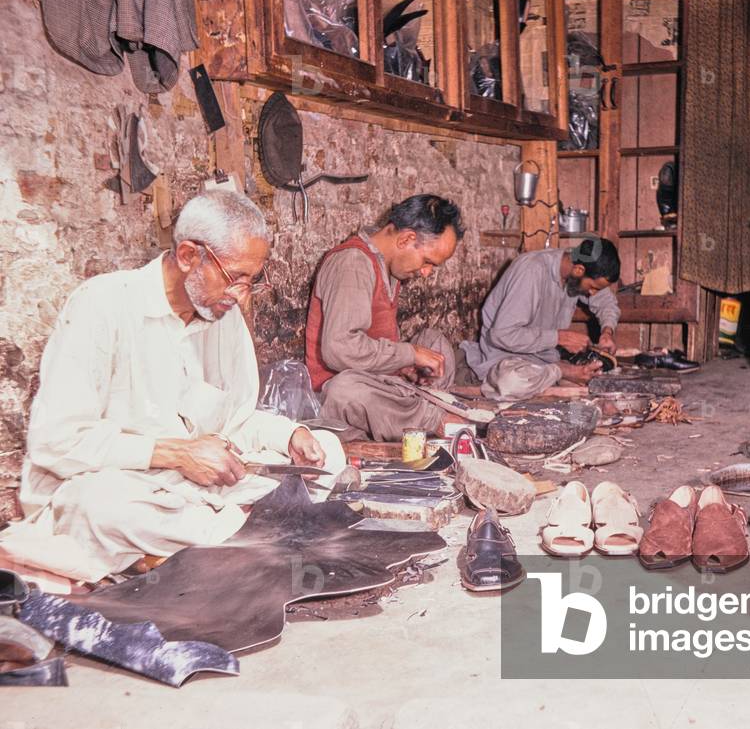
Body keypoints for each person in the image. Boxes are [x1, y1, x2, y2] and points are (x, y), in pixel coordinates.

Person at [0, 191, 344, 583]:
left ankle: (211, 541)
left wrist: (290, 435)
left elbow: (235, 420)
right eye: (234, 278)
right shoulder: (102, 305)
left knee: (328, 452)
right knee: (100, 506)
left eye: (253, 281)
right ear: (187, 256)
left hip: (200, 490)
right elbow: (56, 441)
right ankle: (247, 532)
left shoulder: (223, 316)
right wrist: (176, 454)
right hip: (127, 486)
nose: (242, 296)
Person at [305, 194, 466, 441]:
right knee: (345, 390)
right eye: (427, 262)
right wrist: (409, 354)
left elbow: (379, 344)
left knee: (434, 342)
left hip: (381, 384)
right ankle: (431, 418)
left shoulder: (389, 267)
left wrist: (403, 366)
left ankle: (422, 408)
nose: (426, 273)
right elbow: (340, 349)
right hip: (338, 397)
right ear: (406, 239)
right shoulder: (352, 263)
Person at [461, 237, 621, 400]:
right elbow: (502, 335)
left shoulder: (575, 272)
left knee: (595, 384)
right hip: (507, 360)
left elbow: (606, 302)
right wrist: (560, 338)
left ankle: (559, 371)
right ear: (579, 270)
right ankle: (561, 371)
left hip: (545, 363)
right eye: (593, 287)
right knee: (511, 382)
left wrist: (607, 332)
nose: (593, 293)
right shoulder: (531, 270)